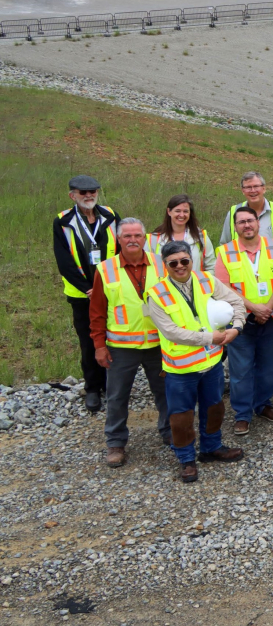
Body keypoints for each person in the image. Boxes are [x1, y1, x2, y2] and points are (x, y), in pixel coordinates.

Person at [144, 240, 247, 484]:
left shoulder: (206, 280)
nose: (180, 266)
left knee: (214, 408)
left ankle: (211, 448)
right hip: (180, 369)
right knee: (181, 417)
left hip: (211, 363)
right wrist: (210, 337)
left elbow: (236, 301)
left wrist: (237, 327)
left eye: (184, 261)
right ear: (165, 265)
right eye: (173, 263)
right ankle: (186, 459)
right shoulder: (156, 295)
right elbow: (171, 332)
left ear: (192, 260)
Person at [90, 218, 170, 467]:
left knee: (165, 392)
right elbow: (97, 312)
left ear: (145, 238)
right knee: (116, 396)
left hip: (159, 343)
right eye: (127, 236)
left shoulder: (162, 263)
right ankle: (115, 443)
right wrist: (99, 345)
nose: (133, 240)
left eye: (137, 235)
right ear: (118, 239)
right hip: (121, 347)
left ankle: (170, 432)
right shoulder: (105, 269)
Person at [214, 207, 273, 436]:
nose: (247, 225)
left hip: (272, 318)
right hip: (240, 323)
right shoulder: (225, 252)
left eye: (250, 220)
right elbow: (222, 287)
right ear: (235, 227)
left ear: (258, 222)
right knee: (241, 371)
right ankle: (242, 414)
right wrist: (253, 307)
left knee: (268, 368)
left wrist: (267, 308)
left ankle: (263, 404)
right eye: (241, 222)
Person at [221, 171, 273, 390]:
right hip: (241, 289)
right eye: (248, 187)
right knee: (242, 331)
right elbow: (225, 242)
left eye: (256, 186)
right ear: (242, 190)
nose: (252, 190)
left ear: (264, 187)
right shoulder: (233, 212)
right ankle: (246, 377)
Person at [54, 174, 121, 413]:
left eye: (93, 191)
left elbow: (121, 249)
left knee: (115, 338)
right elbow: (64, 261)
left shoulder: (110, 216)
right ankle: (93, 388)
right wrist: (88, 288)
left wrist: (108, 287)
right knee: (90, 340)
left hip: (112, 291)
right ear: (73, 195)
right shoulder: (63, 221)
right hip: (82, 295)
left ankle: (113, 385)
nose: (89, 195)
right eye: (83, 192)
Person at [149, 194, 216, 273]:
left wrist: (201, 283)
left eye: (185, 211)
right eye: (177, 211)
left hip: (195, 284)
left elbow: (211, 266)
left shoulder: (201, 236)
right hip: (164, 285)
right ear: (169, 212)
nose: (181, 215)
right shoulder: (153, 239)